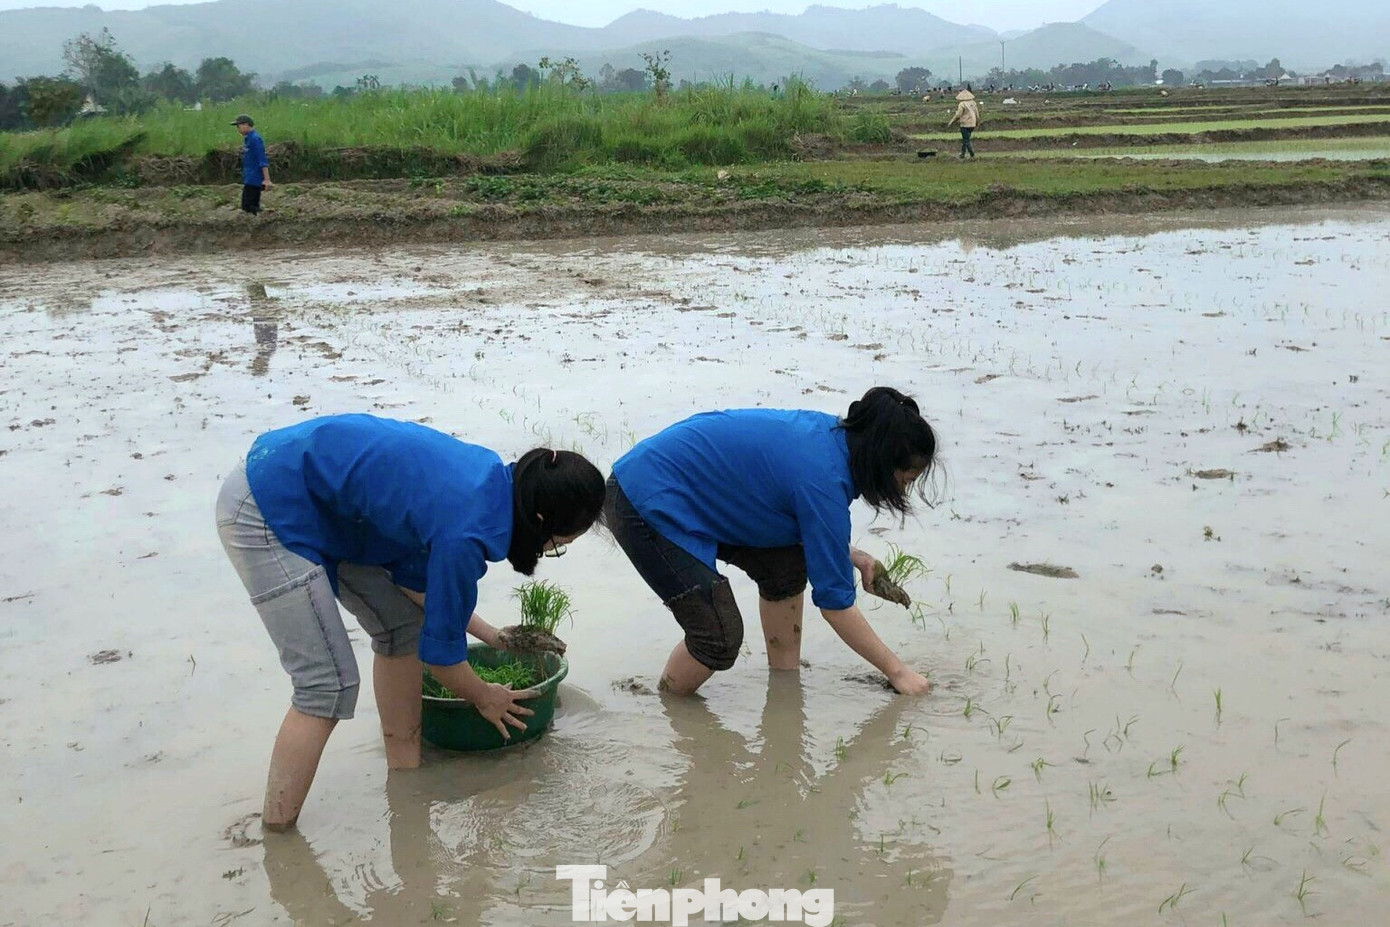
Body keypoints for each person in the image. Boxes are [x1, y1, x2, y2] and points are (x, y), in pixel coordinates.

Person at [216, 414, 605, 831]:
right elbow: (442, 660)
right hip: (268, 502)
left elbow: (417, 591)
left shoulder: (490, 486)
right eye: (558, 546)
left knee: (402, 629)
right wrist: (484, 695)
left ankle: (404, 782)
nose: (549, 552)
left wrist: (494, 636)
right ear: (542, 520)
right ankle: (277, 835)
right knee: (325, 684)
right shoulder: (466, 534)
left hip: (323, 502)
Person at [606, 386, 938, 697]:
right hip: (643, 498)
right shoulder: (823, 480)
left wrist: (852, 555)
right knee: (717, 636)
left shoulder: (830, 440)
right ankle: (670, 710)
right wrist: (898, 673)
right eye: (905, 480)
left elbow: (796, 509)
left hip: (693, 492)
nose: (903, 491)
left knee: (786, 567)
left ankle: (784, 688)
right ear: (881, 461)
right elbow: (836, 605)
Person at [232, 114, 271, 215]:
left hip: (254, 178)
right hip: (249, 177)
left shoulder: (255, 139)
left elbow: (262, 159)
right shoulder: (248, 139)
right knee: (248, 206)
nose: (238, 129)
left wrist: (266, 179)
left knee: (248, 206)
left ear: (246, 125)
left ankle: (266, 216)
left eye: (238, 126)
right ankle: (260, 219)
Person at [946, 85, 980, 159]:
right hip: (972, 124)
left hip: (965, 124)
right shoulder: (973, 103)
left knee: (966, 140)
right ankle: (963, 154)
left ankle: (972, 154)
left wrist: (951, 121)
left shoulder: (962, 104)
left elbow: (958, 115)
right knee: (966, 139)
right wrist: (977, 122)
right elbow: (977, 114)